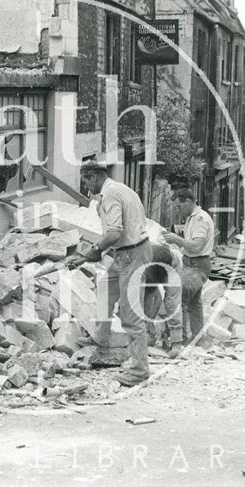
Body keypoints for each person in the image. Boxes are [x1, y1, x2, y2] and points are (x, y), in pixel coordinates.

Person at [80, 160, 153, 387]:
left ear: (94, 176)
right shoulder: (120, 189)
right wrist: (104, 251)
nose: (86, 188)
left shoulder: (111, 194)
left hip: (133, 254)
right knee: (105, 289)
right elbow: (121, 232)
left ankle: (140, 370)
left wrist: (96, 250)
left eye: (86, 182)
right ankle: (102, 338)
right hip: (126, 252)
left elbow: (114, 232)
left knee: (131, 316)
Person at [162, 189, 214, 344]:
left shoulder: (200, 219)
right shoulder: (191, 218)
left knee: (179, 299)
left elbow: (197, 246)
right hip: (190, 263)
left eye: (179, 206)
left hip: (197, 265)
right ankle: (199, 339)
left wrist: (177, 240)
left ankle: (181, 339)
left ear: (189, 202)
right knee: (194, 303)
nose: (178, 210)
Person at [143, 243, 183, 358]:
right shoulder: (133, 273)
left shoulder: (148, 273)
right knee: (144, 300)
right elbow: (146, 299)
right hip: (156, 266)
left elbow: (157, 298)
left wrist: (150, 322)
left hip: (171, 265)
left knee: (171, 304)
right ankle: (151, 337)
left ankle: (177, 344)